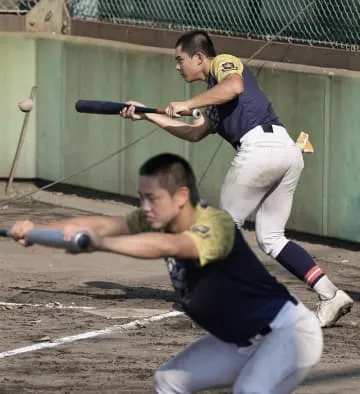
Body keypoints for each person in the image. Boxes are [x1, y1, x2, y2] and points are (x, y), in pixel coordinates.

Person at [11, 153, 322, 393]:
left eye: (152, 199)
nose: (145, 207)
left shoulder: (216, 225)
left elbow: (171, 245)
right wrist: (35, 230)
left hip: (288, 334)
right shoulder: (156, 218)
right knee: (169, 380)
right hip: (239, 342)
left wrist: (103, 244)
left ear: (182, 196)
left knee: (251, 390)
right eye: (141, 197)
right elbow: (100, 224)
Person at [119, 30, 353, 328]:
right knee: (271, 238)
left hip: (262, 149)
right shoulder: (213, 99)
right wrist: (147, 114)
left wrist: (190, 103)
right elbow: (194, 132)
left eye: (180, 60)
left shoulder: (224, 64)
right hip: (284, 152)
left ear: (199, 57)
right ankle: (330, 294)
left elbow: (234, 86)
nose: (177, 67)